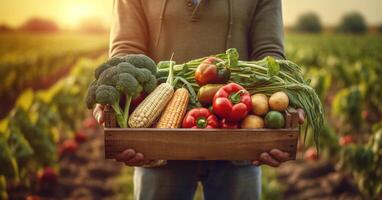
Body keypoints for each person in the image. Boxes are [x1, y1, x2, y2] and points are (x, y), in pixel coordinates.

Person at [93, 0, 304, 199]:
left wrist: (285, 97)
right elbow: (126, 51)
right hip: (157, 144)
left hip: (238, 136)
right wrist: (115, 93)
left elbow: (269, 53)